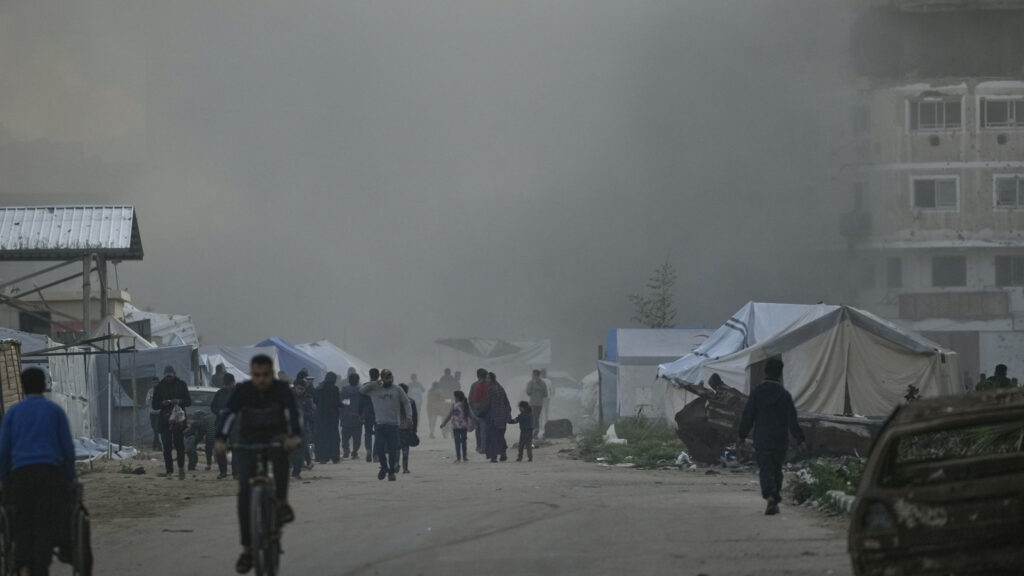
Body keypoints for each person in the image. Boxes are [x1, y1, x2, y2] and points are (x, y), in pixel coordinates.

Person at [215, 354, 303, 574]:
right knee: (244, 491)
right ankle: (247, 549)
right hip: (248, 441)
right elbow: (228, 414)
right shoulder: (243, 391)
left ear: (271, 374)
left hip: (276, 438)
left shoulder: (282, 390)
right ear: (252, 374)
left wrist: (295, 436)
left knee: (282, 457)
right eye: (257, 375)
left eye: (265, 375)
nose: (261, 379)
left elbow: (294, 414)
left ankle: (281, 501)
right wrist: (221, 439)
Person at [0, 368, 77, 576]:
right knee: (48, 519)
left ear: (23, 387)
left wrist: (5, 481)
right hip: (49, 474)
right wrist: (70, 479)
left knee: (22, 521)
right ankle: (58, 551)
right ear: (44, 385)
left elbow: (4, 451)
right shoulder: (54, 411)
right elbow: (68, 449)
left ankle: (23, 564)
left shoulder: (13, 414)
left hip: (21, 475)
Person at [738, 357, 805, 516]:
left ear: (765, 372)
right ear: (780, 374)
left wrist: (741, 435)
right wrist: (800, 439)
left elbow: (748, 415)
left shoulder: (757, 393)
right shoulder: (784, 395)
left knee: (765, 467)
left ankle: (770, 495)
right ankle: (774, 494)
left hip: (762, 437)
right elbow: (792, 419)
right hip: (780, 438)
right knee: (776, 468)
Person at [360, 369, 412, 481]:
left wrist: (409, 417)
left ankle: (391, 473)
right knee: (379, 448)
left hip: (393, 425)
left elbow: (406, 402)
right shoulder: (375, 389)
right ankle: (384, 468)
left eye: (390, 376)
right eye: (386, 377)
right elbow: (362, 391)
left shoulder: (397, 389)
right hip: (380, 424)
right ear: (382, 378)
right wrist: (374, 383)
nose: (389, 379)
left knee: (392, 450)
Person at [151, 365, 193, 479]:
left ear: (174, 374)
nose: (169, 378)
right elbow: (154, 405)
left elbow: (189, 401)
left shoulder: (182, 385)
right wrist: (163, 403)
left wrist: (179, 401)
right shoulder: (160, 387)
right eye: (167, 377)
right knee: (167, 447)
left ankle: (180, 469)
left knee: (180, 446)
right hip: (165, 421)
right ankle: (169, 471)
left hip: (179, 420)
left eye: (170, 376)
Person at [211, 373, 238, 479]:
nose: (228, 386)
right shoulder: (220, 393)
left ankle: (236, 473)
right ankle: (223, 472)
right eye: (226, 385)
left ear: (233, 382)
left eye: (229, 384)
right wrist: (219, 412)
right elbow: (213, 407)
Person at [312, 372, 341, 464]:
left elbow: (315, 401)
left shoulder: (319, 388)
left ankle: (322, 457)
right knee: (333, 436)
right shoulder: (335, 389)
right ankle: (334, 456)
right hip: (332, 416)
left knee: (321, 437)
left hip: (320, 415)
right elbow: (337, 402)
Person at [483, 372, 511, 463]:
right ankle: (503, 454)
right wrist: (508, 414)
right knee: (501, 436)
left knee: (493, 437)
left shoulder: (490, 389)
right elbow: (507, 402)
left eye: (488, 378)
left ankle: (494, 457)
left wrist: (481, 412)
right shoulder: (500, 388)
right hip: (502, 416)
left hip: (494, 416)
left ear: (491, 379)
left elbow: (488, 403)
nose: (486, 380)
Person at [291, 378, 317, 478]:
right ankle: (295, 468)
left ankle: (296, 472)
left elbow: (311, 414)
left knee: (300, 451)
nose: (300, 391)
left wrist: (301, 414)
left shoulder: (308, 398)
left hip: (303, 428)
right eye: (298, 388)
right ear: (295, 387)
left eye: (302, 389)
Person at [439, 390, 472, 462]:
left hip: (456, 427)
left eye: (454, 396)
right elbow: (470, 415)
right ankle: (465, 457)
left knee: (457, 442)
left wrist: (443, 423)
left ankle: (458, 458)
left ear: (457, 397)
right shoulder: (465, 404)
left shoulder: (454, 405)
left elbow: (449, 415)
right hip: (464, 426)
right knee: (464, 442)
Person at [340, 370, 364, 460]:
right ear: (358, 380)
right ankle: (355, 453)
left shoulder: (344, 390)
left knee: (345, 436)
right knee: (357, 437)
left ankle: (346, 451)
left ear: (349, 380)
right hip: (358, 417)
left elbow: (341, 403)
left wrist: (342, 414)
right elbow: (363, 404)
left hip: (346, 416)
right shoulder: (361, 390)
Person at [398, 383, 419, 474]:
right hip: (407, 427)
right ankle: (405, 468)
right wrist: (414, 429)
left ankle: (395, 464)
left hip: (396, 427)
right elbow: (415, 416)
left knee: (396, 448)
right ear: (406, 391)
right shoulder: (411, 401)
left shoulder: (394, 401)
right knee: (405, 448)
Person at [468, 368, 490, 454]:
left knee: (479, 429)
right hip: (487, 410)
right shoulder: (489, 384)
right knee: (486, 429)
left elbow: (470, 399)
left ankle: (479, 446)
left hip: (477, 411)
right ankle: (485, 447)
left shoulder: (474, 385)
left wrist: (472, 410)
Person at [360, 369, 380, 463]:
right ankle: (376, 454)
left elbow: (361, 402)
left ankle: (368, 450)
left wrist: (360, 414)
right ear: (378, 375)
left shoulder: (365, 386)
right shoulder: (381, 386)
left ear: (369, 375)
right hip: (379, 413)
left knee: (367, 433)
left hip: (367, 412)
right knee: (378, 434)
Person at [525, 369, 549, 439]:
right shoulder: (543, 383)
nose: (531, 375)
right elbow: (545, 394)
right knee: (536, 418)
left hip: (532, 403)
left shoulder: (531, 383)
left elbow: (528, 392)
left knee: (532, 418)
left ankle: (533, 432)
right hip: (539, 403)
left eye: (532, 374)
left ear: (535, 375)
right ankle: (536, 432)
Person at [148, 376, 162, 451]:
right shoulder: (150, 391)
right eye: (153, 383)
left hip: (159, 413)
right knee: (155, 430)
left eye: (156, 382)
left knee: (157, 429)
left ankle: (158, 446)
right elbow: (147, 402)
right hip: (152, 413)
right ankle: (155, 445)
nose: (155, 384)